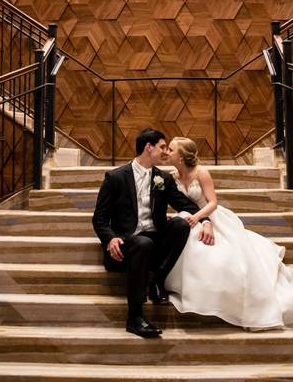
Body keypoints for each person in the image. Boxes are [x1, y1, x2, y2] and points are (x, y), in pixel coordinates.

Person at [164, 137, 293, 329]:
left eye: (171, 149)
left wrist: (200, 218)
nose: (167, 152)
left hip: (209, 216)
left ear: (182, 156)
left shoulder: (201, 173)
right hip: (188, 218)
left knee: (225, 256)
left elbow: (212, 202)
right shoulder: (171, 176)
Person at [91, 128, 213, 338]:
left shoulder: (163, 179)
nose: (166, 152)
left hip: (156, 243)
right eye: (162, 147)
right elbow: (99, 218)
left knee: (181, 225)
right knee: (142, 243)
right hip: (127, 244)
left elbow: (186, 205)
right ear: (149, 147)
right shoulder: (116, 177)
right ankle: (135, 317)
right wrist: (110, 238)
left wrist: (207, 221)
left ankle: (158, 278)